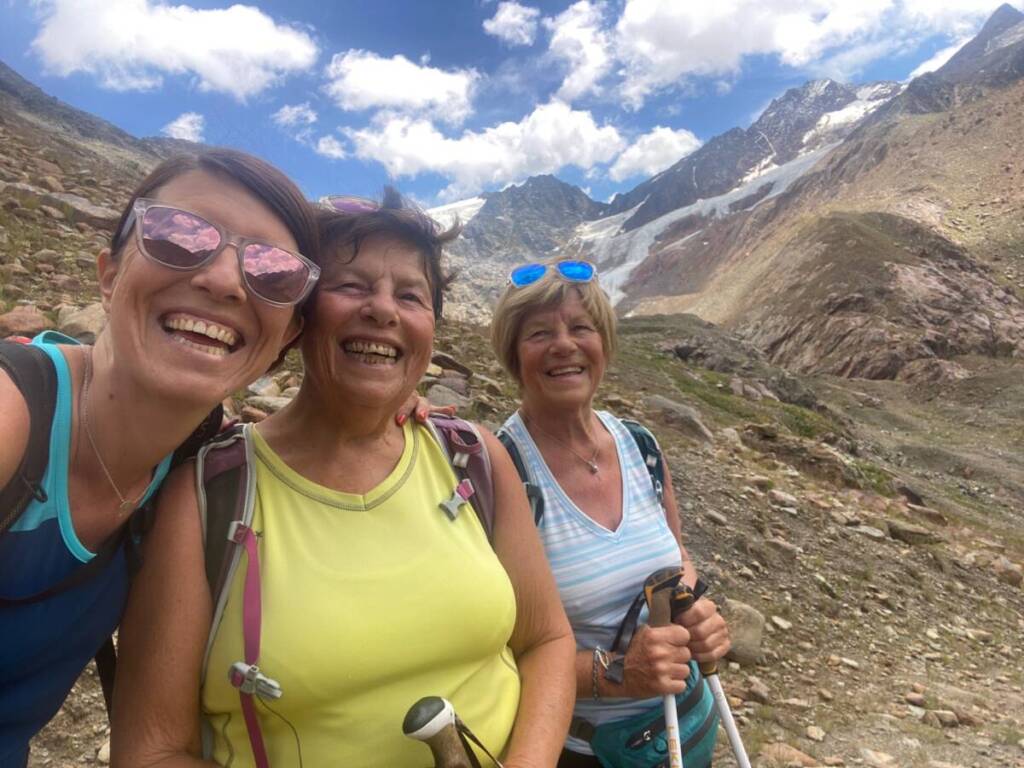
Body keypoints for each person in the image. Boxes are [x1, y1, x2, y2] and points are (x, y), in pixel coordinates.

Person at [111, 190, 576, 767]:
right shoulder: (210, 493)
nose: (383, 310)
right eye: (351, 286)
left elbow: (546, 641)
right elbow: (151, 752)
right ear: (298, 315)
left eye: (411, 295)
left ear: (430, 327)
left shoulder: (473, 458)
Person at [0, 148, 324, 767]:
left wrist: (395, 417)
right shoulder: (14, 416)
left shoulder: (199, 459)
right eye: (179, 237)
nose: (225, 280)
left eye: (274, 271)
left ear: (286, 338)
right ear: (108, 273)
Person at [490, 260, 732, 768]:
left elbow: (677, 556)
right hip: (584, 750)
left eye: (581, 328)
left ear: (604, 344)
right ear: (514, 354)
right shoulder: (500, 469)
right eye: (539, 333)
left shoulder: (639, 445)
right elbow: (495, 651)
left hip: (685, 724)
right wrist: (618, 673)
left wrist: (693, 614)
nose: (564, 344)